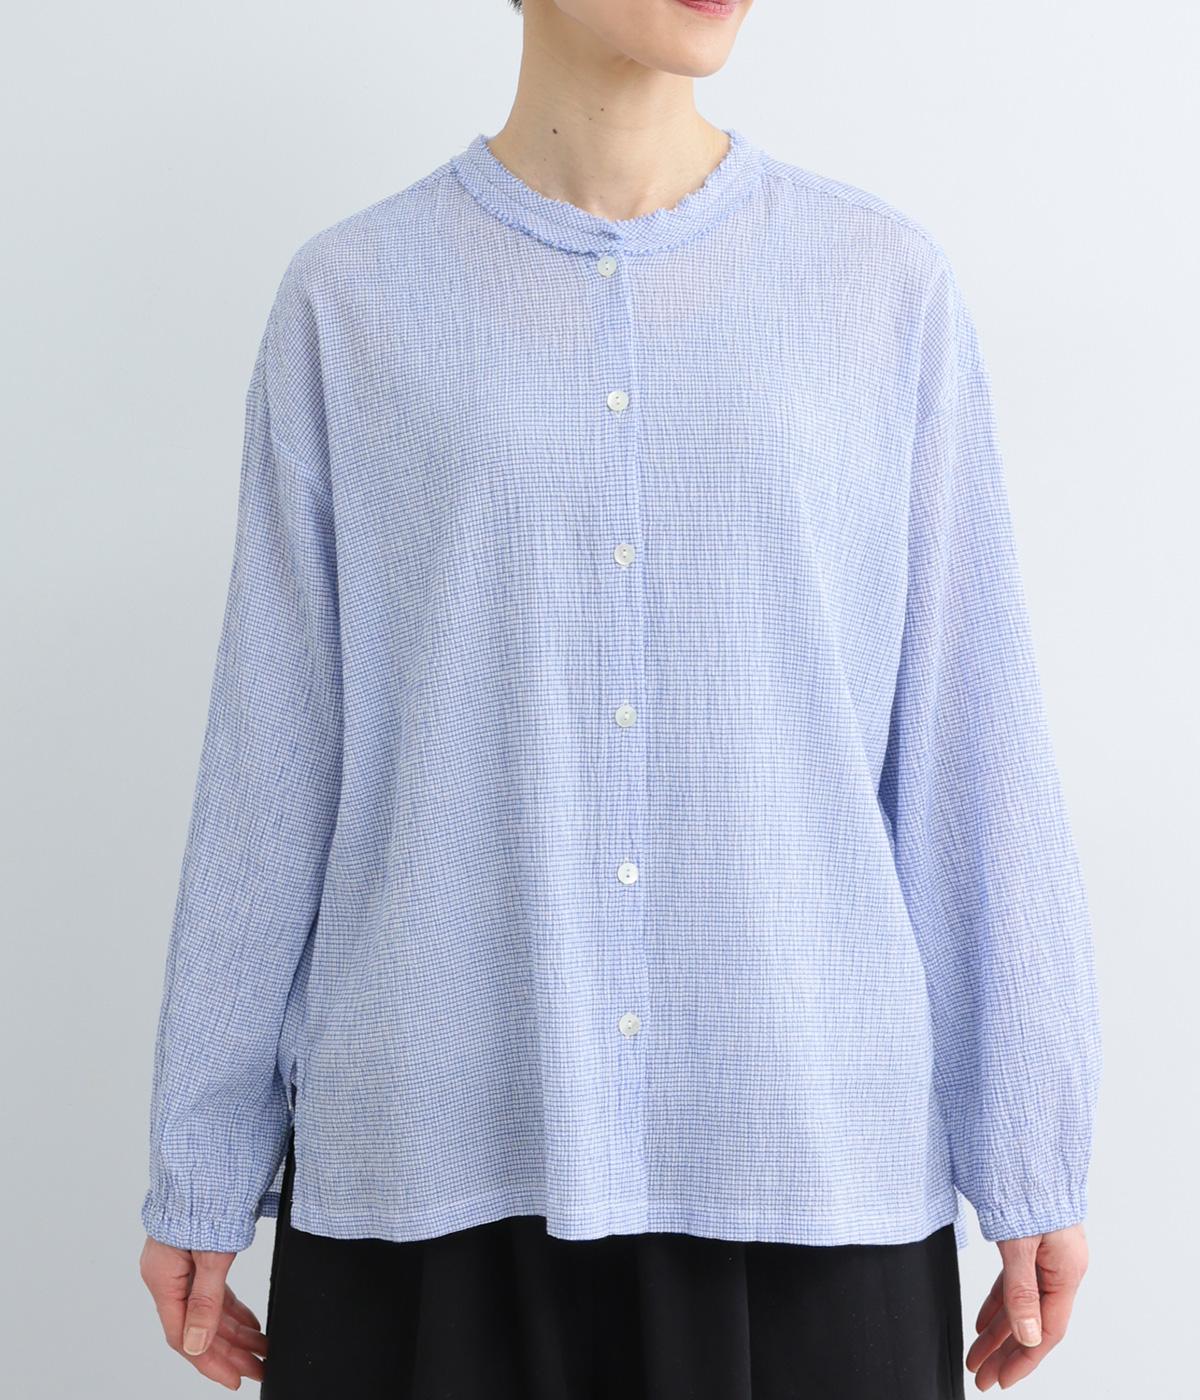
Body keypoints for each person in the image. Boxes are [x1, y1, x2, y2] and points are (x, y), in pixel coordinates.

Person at [137, 0, 1103, 1395]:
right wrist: (202, 1155)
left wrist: (1031, 1151)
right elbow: (273, 757)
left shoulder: (879, 285)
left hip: (805, 1173)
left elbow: (967, 742)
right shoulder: (352, 301)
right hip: (439, 1169)